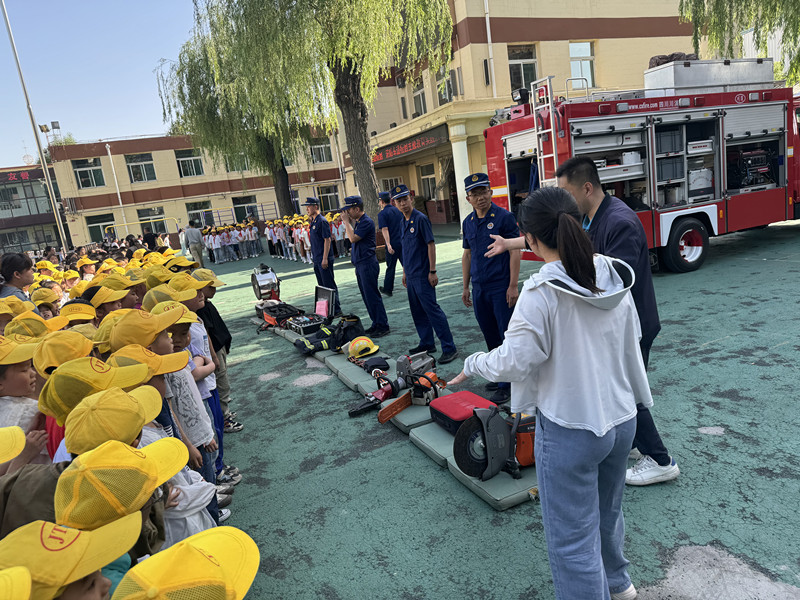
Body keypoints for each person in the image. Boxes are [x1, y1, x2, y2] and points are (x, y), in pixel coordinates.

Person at [449, 186, 648, 600]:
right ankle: (619, 584)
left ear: (532, 241)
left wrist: (473, 364)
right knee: (608, 513)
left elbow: (514, 362)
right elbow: (634, 337)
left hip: (571, 428)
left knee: (570, 539)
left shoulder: (541, 293)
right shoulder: (612, 273)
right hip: (623, 417)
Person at [488, 156, 680, 487]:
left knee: (627, 388)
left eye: (565, 191)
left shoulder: (619, 223)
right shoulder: (591, 218)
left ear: (586, 188)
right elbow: (555, 241)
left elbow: (608, 282)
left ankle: (660, 459)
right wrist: (509, 243)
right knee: (618, 387)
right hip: (609, 322)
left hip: (628, 323)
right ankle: (629, 441)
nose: (561, 199)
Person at [460, 173, 521, 404]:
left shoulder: (504, 217)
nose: (480, 197)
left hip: (500, 286)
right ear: (468, 198)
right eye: (474, 193)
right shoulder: (468, 222)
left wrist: (513, 285)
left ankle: (508, 385)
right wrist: (465, 286)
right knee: (489, 333)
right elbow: (467, 255)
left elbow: (515, 251)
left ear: (491, 192)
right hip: (479, 287)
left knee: (506, 334)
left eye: (483, 191)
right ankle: (499, 374)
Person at [391, 185, 457, 364]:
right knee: (417, 312)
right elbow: (405, 249)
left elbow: (430, 244)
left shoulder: (420, 219)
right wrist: (404, 272)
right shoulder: (402, 222)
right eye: (399, 201)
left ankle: (449, 348)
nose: (403, 203)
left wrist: (432, 270)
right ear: (395, 204)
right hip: (411, 275)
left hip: (423, 274)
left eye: (405, 199)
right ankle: (427, 343)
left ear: (411, 199)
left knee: (432, 310)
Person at [340, 196, 390, 337]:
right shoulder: (359, 222)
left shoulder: (366, 222)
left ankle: (382, 325)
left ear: (357, 208)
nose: (347, 213)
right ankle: (376, 323)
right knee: (367, 297)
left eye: (349, 209)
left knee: (372, 296)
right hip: (361, 264)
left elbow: (353, 238)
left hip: (367, 263)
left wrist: (346, 222)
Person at [303, 198, 341, 315]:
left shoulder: (322, 221)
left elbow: (327, 240)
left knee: (329, 284)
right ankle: (326, 309)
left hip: (324, 258)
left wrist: (325, 258)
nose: (307, 209)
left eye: (309, 206)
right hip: (317, 258)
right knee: (322, 286)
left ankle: (336, 309)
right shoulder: (313, 222)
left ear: (315, 206)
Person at [377, 192, 404, 297]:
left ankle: (388, 289)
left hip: (392, 243)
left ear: (382, 201)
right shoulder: (398, 210)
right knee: (406, 265)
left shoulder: (382, 214)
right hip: (401, 241)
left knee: (391, 267)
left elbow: (385, 229)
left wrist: (388, 244)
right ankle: (413, 284)